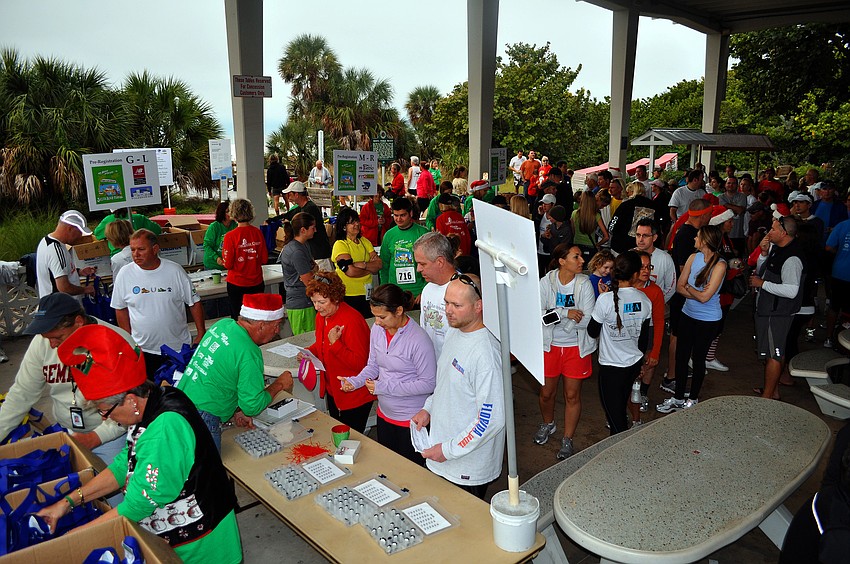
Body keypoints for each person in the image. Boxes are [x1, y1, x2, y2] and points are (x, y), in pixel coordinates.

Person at [38, 325, 242, 564]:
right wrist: (68, 502)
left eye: (105, 412)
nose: (106, 419)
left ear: (130, 400)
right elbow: (124, 463)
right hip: (173, 533)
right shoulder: (154, 400)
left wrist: (76, 538)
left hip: (202, 543)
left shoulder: (163, 431)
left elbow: (138, 505)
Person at [0, 294, 130, 465]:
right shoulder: (43, 341)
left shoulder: (117, 342)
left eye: (58, 337)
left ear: (79, 322)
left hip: (112, 437)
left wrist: (96, 437)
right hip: (67, 432)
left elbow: (132, 404)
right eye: (47, 338)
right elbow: (21, 394)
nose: (52, 344)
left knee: (111, 482)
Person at [412, 273, 505, 499]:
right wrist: (429, 408)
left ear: (478, 306)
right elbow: (445, 382)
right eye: (446, 303)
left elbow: (491, 419)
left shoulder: (485, 354)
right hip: (441, 453)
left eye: (457, 305)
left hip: (467, 468)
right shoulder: (455, 331)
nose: (448, 311)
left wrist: (447, 450)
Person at [178, 293, 294, 451]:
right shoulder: (249, 352)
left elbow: (222, 375)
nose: (277, 330)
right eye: (276, 325)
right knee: (210, 467)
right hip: (203, 418)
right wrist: (279, 384)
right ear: (261, 325)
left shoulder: (223, 325)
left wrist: (236, 410)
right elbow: (252, 406)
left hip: (181, 403)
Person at [339, 284, 437, 465]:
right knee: (388, 467)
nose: (377, 322)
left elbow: (428, 383)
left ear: (399, 311)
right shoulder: (377, 330)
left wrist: (384, 387)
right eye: (375, 316)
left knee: (409, 471)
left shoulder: (419, 340)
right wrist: (355, 381)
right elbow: (373, 366)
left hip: (410, 420)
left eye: (382, 317)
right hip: (384, 414)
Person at [111, 229, 205, 379]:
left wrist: (201, 333)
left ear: (155, 249)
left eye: (141, 249)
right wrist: (128, 340)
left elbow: (194, 302)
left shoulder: (175, 271)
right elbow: (120, 308)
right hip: (144, 350)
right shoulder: (124, 274)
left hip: (177, 349)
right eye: (133, 249)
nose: (136, 254)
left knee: (178, 390)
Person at [535, 244, 597, 459]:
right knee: (546, 393)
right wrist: (565, 313)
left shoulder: (584, 284)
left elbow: (588, 319)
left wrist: (561, 320)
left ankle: (567, 438)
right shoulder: (546, 282)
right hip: (549, 346)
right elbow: (538, 316)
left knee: (572, 395)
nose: (582, 261)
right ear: (562, 261)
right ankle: (548, 423)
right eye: (576, 257)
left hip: (576, 348)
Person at [657, 225, 726, 413]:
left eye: (697, 236)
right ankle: (678, 398)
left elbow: (704, 297)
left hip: (708, 320)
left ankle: (693, 399)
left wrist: (689, 288)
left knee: (698, 359)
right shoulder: (692, 257)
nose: (694, 239)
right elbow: (680, 287)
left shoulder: (720, 265)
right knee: (681, 357)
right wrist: (695, 291)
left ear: (705, 241)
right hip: (688, 314)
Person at [587, 251, 651, 434]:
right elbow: (643, 339)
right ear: (635, 274)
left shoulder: (605, 300)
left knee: (616, 421)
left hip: (611, 368)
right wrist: (640, 364)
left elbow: (592, 331)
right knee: (620, 410)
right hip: (633, 365)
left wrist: (601, 301)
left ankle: (620, 447)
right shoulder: (645, 300)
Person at [303, 272, 373, 432]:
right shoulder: (322, 316)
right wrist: (309, 352)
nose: (317, 307)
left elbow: (361, 364)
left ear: (335, 298)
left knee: (350, 438)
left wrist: (336, 344)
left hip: (354, 394)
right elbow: (322, 344)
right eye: (314, 302)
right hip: (334, 390)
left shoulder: (352, 320)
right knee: (339, 436)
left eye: (322, 302)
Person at [750, 214, 805, 401]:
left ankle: (767, 398)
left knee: (774, 354)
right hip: (769, 310)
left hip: (777, 313)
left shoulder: (792, 258)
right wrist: (764, 254)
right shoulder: (778, 249)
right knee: (773, 352)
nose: (769, 232)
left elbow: (791, 290)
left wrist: (762, 284)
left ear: (783, 233)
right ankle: (772, 391)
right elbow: (763, 271)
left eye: (773, 229)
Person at [630, 250, 665, 422]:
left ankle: (642, 393)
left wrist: (655, 351)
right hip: (627, 331)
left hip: (647, 331)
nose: (646, 271)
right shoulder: (623, 286)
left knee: (648, 362)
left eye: (648, 267)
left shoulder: (655, 291)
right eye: (642, 267)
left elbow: (659, 322)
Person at [219, 199, 268, 320]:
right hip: (256, 282)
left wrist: (222, 260)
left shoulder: (230, 236)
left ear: (233, 214)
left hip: (236, 284)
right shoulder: (258, 233)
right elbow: (264, 259)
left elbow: (228, 264)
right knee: (256, 317)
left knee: (238, 318)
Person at [331, 206, 382, 318]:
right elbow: (350, 271)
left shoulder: (365, 241)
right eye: (352, 222)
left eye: (357, 221)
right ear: (344, 226)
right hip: (348, 295)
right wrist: (369, 269)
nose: (356, 224)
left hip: (367, 294)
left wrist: (362, 265)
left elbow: (379, 265)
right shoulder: (340, 244)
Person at [413, 232, 456, 358]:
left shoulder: (462, 292)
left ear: (440, 262)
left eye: (423, 264)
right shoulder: (427, 289)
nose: (418, 269)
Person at [36, 210, 96, 299]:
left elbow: (56, 272)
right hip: (60, 305)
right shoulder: (55, 250)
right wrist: (85, 290)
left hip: (56, 304)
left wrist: (79, 272)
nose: (80, 236)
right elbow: (64, 288)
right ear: (70, 228)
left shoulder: (47, 242)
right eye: (80, 232)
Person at [379, 197, 429, 297]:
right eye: (396, 215)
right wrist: (384, 288)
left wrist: (425, 290)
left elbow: (430, 264)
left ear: (410, 213)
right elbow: (384, 264)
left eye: (402, 215)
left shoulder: (423, 233)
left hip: (418, 292)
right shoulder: (389, 235)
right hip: (395, 292)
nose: (398, 219)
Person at [277, 212, 317, 335]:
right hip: (300, 303)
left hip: (305, 301)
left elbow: (314, 267)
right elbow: (309, 281)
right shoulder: (296, 251)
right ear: (303, 230)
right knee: (305, 339)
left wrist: (312, 271)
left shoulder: (303, 245)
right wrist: (312, 272)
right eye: (313, 227)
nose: (315, 230)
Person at [283, 181, 333, 270]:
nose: (288, 197)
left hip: (320, 254)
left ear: (296, 195)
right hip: (314, 254)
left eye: (290, 194)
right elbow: (288, 215)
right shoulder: (303, 207)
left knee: (325, 277)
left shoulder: (309, 208)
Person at [634, 218, 676, 302]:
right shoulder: (628, 256)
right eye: (638, 235)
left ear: (654, 237)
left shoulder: (665, 258)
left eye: (645, 236)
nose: (641, 239)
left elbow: (671, 287)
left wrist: (656, 302)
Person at [93, 208, 162, 256]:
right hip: (140, 253)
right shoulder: (139, 218)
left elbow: (98, 235)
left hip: (117, 253)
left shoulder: (108, 220)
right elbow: (157, 230)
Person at [572, 190, 609, 263]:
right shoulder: (596, 215)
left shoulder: (574, 214)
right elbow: (606, 237)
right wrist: (598, 244)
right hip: (591, 247)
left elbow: (573, 231)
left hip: (577, 246)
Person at [203, 201, 236, 270]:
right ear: (222, 213)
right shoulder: (214, 226)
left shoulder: (235, 226)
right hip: (213, 264)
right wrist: (216, 257)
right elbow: (207, 245)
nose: (230, 213)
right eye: (227, 211)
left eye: (231, 211)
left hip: (229, 265)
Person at [719, 176, 747, 257]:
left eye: (733, 183)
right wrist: (735, 208)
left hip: (738, 234)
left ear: (737, 185)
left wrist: (725, 205)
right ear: (725, 184)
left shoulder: (742, 196)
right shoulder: (720, 197)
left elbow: (740, 210)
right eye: (729, 183)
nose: (731, 185)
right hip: (724, 235)